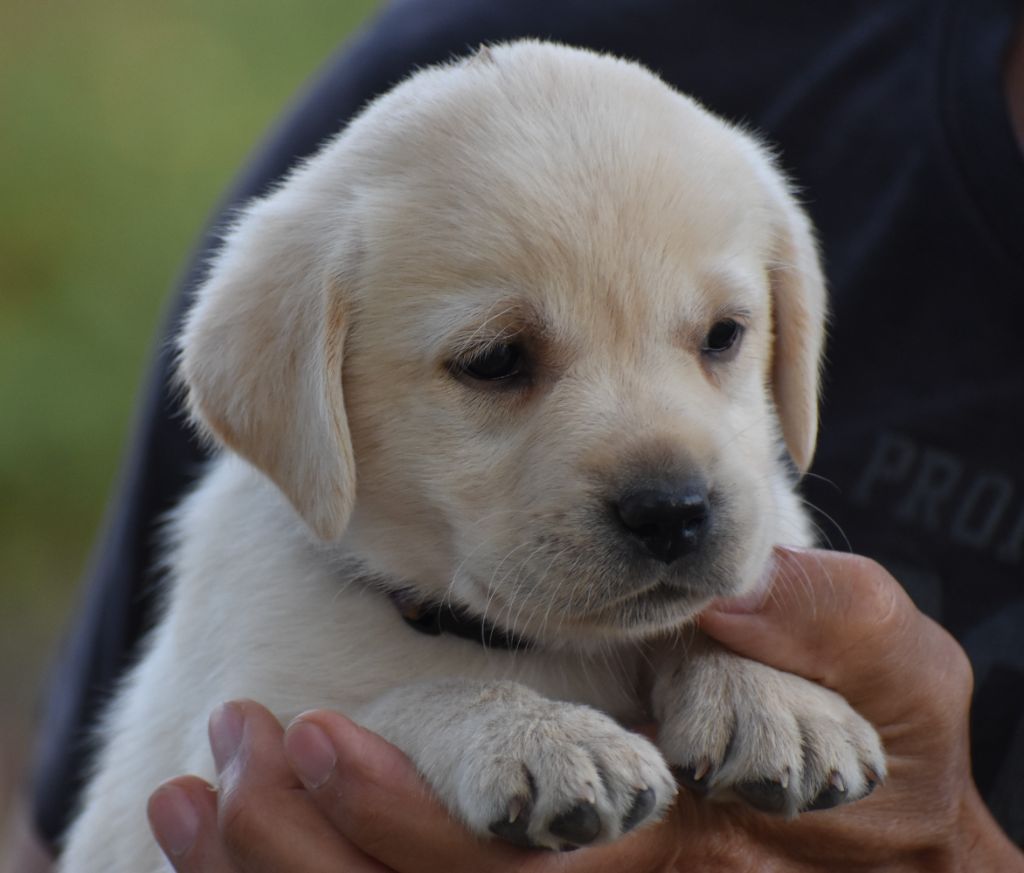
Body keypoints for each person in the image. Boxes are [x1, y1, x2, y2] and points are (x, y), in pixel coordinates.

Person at [8, 0, 1023, 869]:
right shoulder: (274, 577)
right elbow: (254, 775)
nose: (670, 482)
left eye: (718, 339)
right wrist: (455, 724)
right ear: (306, 396)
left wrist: (739, 676)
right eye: (497, 362)